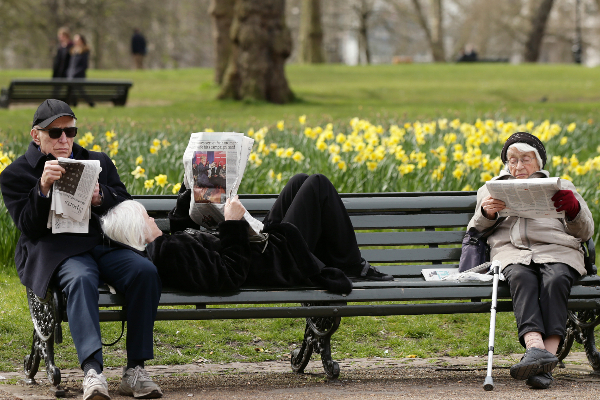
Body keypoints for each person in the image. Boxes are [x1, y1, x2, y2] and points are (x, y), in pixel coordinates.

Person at [0, 99, 163, 400]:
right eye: (55, 132)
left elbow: (124, 199)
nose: (64, 139)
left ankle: (135, 370)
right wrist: (42, 190)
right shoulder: (16, 174)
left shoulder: (96, 160)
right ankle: (93, 371)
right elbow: (28, 227)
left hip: (102, 245)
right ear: (36, 136)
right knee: (80, 278)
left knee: (144, 271)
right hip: (59, 252)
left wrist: (103, 197)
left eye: (70, 131)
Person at [100, 174, 393, 296]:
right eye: (146, 217)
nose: (151, 218)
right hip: (277, 261)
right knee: (317, 185)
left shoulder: (164, 249)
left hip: (262, 248)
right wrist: (231, 223)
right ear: (138, 232)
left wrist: (190, 195)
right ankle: (353, 265)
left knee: (298, 182)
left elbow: (188, 243)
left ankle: (342, 259)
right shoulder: (167, 254)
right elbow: (229, 277)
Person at [467, 132, 594, 389]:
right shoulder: (491, 187)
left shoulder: (563, 186)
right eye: (512, 160)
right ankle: (538, 350)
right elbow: (475, 230)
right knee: (522, 277)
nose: (518, 166)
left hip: (558, 251)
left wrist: (573, 210)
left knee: (556, 278)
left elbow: (586, 231)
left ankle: (543, 356)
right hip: (512, 252)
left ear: (539, 162)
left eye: (525, 159)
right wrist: (486, 212)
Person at [67, 34, 94, 107]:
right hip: (71, 75)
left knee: (80, 91)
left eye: (77, 40)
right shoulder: (73, 51)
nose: (75, 42)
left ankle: (90, 103)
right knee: (73, 91)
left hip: (79, 75)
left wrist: (75, 73)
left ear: (82, 41)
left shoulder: (84, 51)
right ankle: (74, 104)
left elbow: (84, 65)